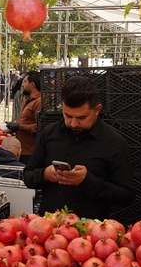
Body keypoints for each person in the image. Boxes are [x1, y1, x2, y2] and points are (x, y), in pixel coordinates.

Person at [24, 76, 135, 219]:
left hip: (90, 233)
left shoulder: (114, 142)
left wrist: (88, 181)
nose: (73, 123)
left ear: (97, 109)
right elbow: (28, 176)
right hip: (48, 228)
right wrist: (45, 174)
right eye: (68, 116)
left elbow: (127, 196)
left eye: (82, 118)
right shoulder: (49, 134)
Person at [5, 70, 44, 164]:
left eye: (25, 82)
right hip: (23, 150)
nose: (23, 85)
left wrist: (20, 127)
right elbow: (27, 120)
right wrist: (15, 124)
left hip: (30, 152)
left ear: (32, 85)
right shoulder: (30, 100)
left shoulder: (38, 102)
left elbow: (40, 126)